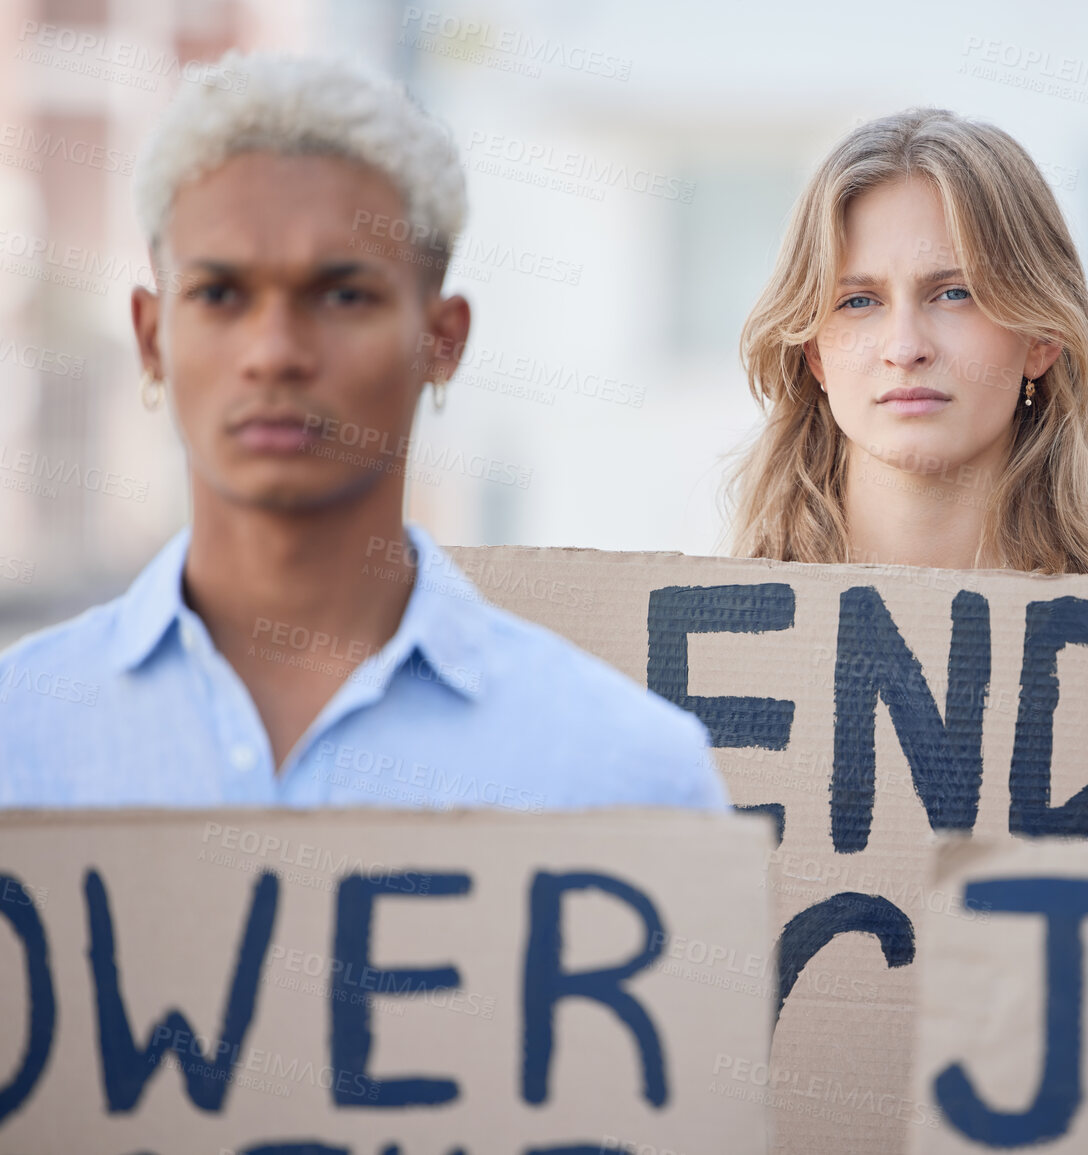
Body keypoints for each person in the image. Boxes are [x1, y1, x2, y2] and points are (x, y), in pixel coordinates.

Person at [0, 53, 728, 813]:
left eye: (343, 294)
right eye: (219, 294)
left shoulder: (630, 775)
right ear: (152, 339)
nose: (274, 351)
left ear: (441, 341)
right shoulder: (19, 737)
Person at [726, 109, 1088, 575]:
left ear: (1042, 337)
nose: (905, 348)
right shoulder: (723, 630)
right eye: (858, 301)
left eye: (955, 294)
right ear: (814, 353)